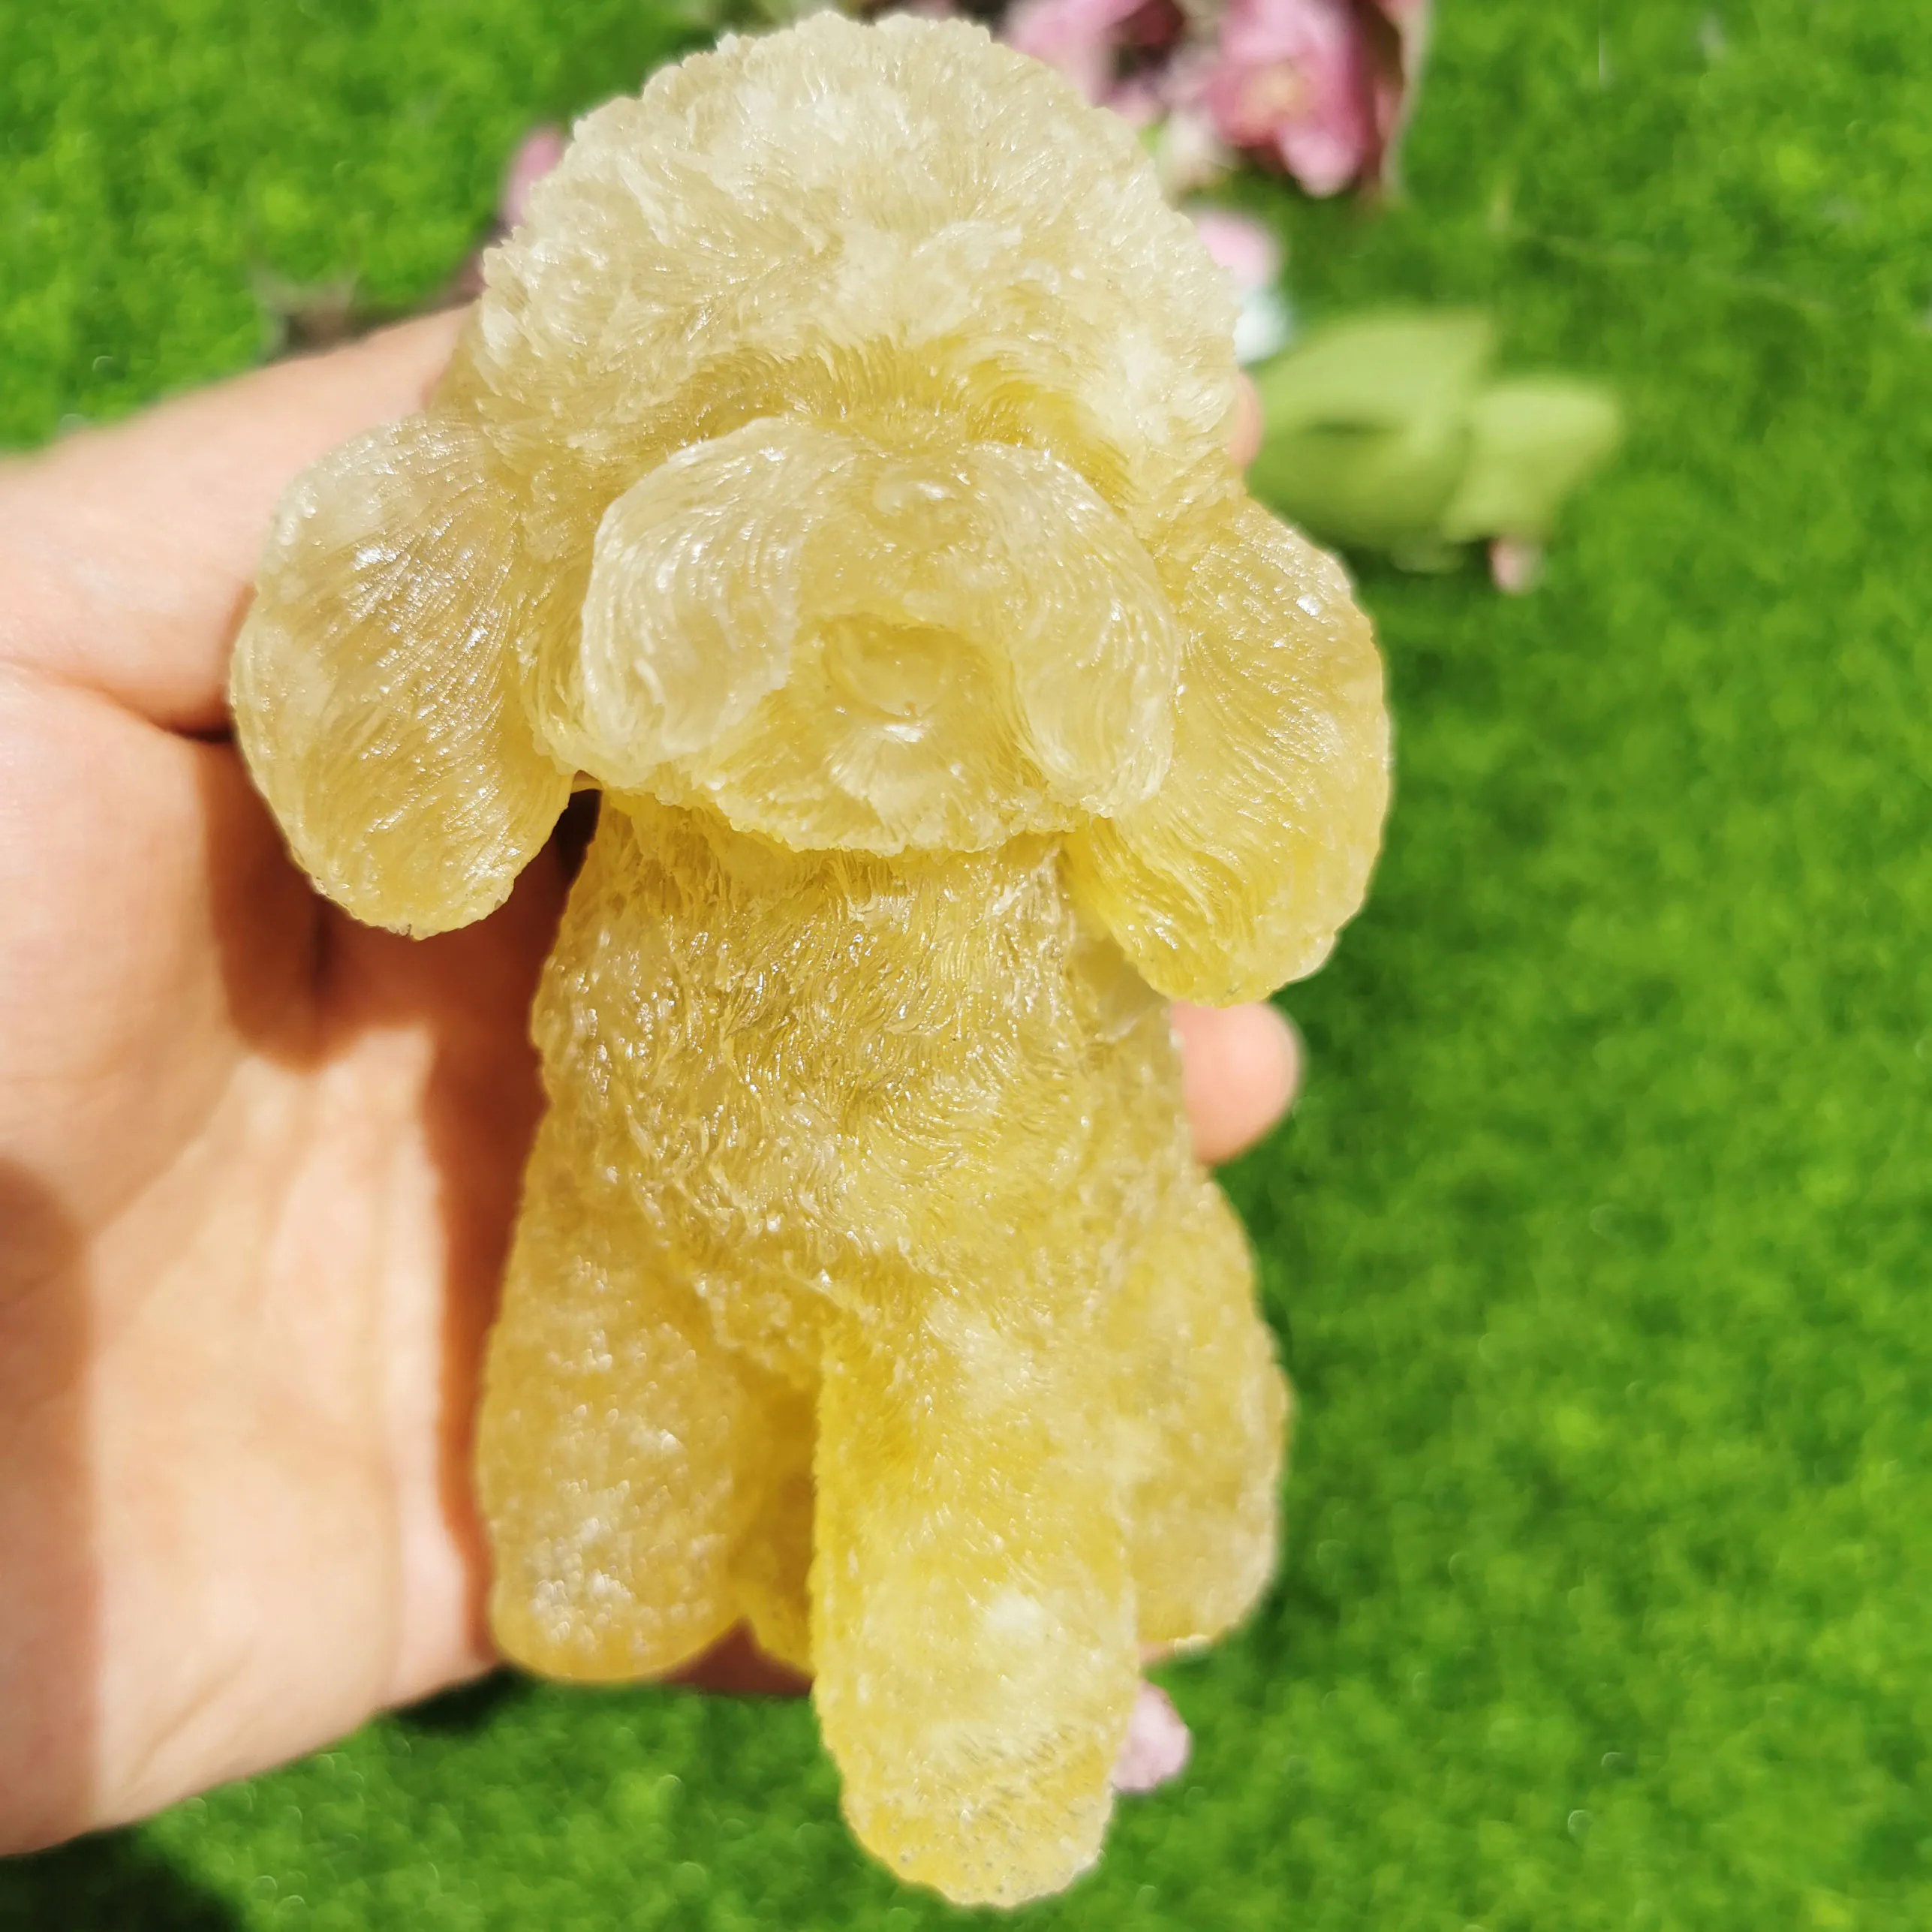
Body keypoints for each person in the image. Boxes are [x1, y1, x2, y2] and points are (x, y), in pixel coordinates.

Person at [0, 311, 1302, 1852]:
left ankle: (994, 1709)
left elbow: (1250, 832)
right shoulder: (586, 522)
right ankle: (644, 1556)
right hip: (632, 1178)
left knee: (982, 1368)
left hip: (984, 1216)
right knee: (624, 1348)